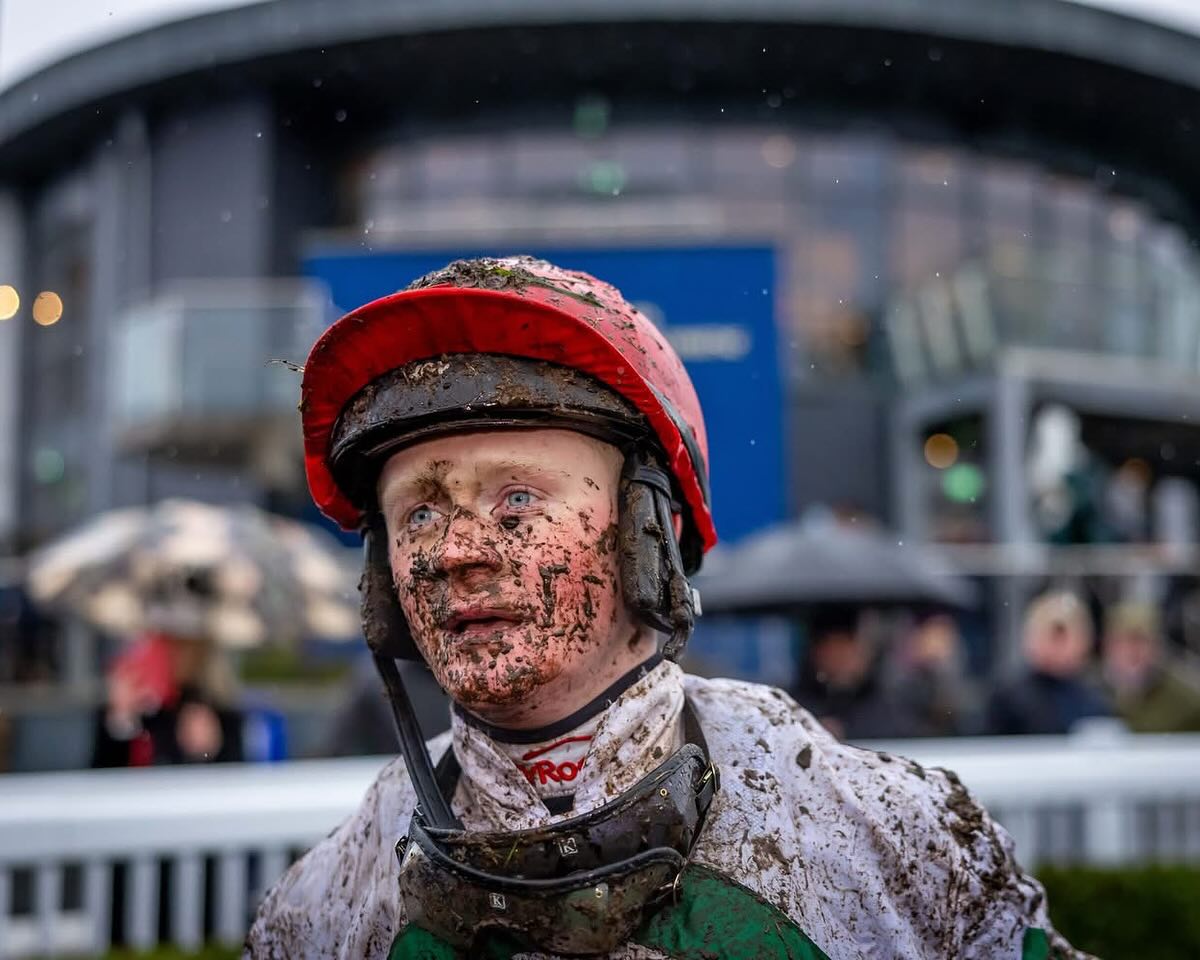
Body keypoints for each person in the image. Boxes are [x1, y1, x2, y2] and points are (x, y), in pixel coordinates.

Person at [247, 256, 1084, 958]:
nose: (455, 553)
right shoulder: (320, 911)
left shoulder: (898, 845)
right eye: (419, 512)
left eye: (516, 500)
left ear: (653, 531)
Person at [92, 581, 244, 767]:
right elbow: (103, 775)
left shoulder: (217, 709)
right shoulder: (136, 702)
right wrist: (121, 717)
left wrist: (207, 749)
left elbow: (231, 771)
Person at [986, 590, 1112, 737]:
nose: (1059, 644)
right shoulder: (1007, 700)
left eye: (1065, 635)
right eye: (1054, 634)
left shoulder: (1095, 698)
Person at [791, 605, 924, 740]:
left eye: (846, 648)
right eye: (832, 649)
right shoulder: (794, 703)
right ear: (817, 652)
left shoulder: (890, 702)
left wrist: (848, 732)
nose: (839, 658)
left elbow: (907, 737)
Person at [1101, 600, 1200, 733]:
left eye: (1141, 641)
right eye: (1123, 641)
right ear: (1107, 645)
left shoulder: (1186, 702)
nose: (1133, 651)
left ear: (1157, 646)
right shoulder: (1091, 690)